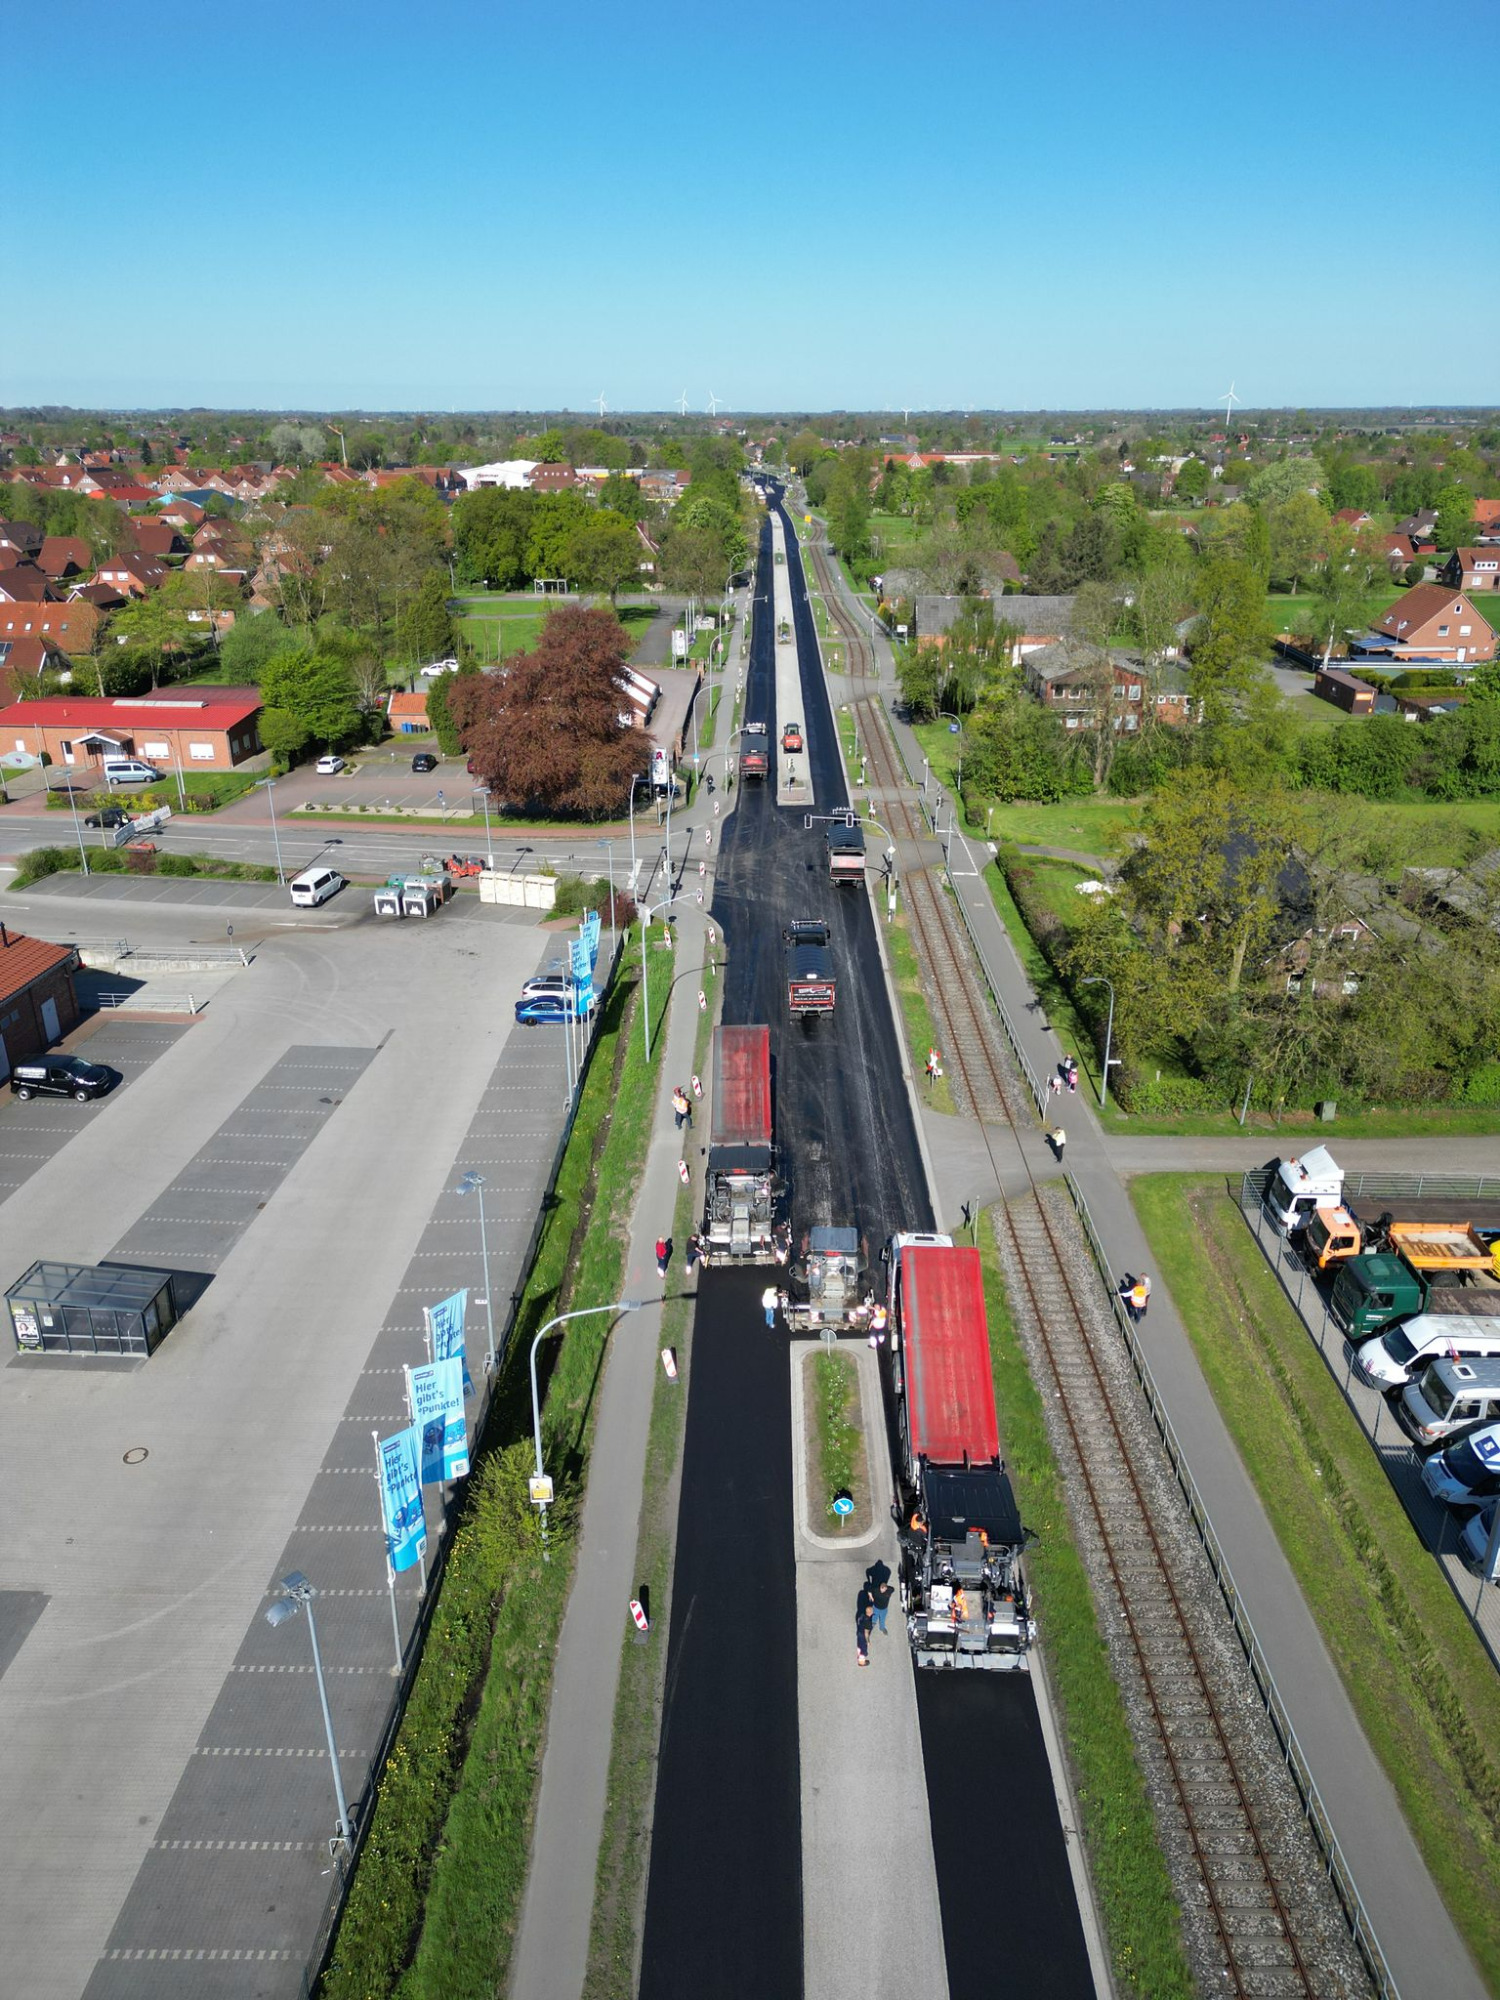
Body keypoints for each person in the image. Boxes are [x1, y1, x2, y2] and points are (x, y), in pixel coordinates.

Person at [855, 1584, 874, 1666]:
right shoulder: (860, 1651)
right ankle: (867, 1593)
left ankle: (869, 1591)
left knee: (869, 1603)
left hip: (862, 1631)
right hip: (860, 1630)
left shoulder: (863, 1652)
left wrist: (868, 1641)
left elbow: (866, 1633)